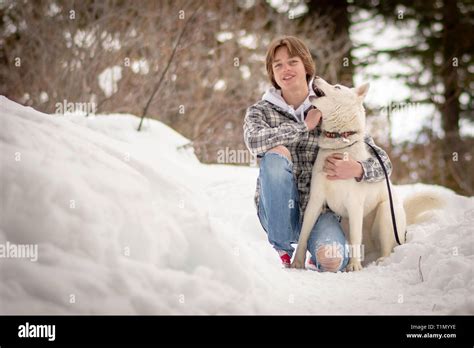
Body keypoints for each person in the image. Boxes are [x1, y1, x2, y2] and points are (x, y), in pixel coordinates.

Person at [243, 36, 392, 272]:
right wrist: (304, 126)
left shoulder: (331, 105)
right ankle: (283, 248)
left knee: (332, 261)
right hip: (277, 211)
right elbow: (254, 141)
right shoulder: (261, 111)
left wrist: (359, 169)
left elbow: (383, 162)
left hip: (321, 213)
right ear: (272, 73)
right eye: (277, 65)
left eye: (292, 61)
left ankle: (316, 251)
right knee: (275, 154)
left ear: (306, 66)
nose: (285, 69)